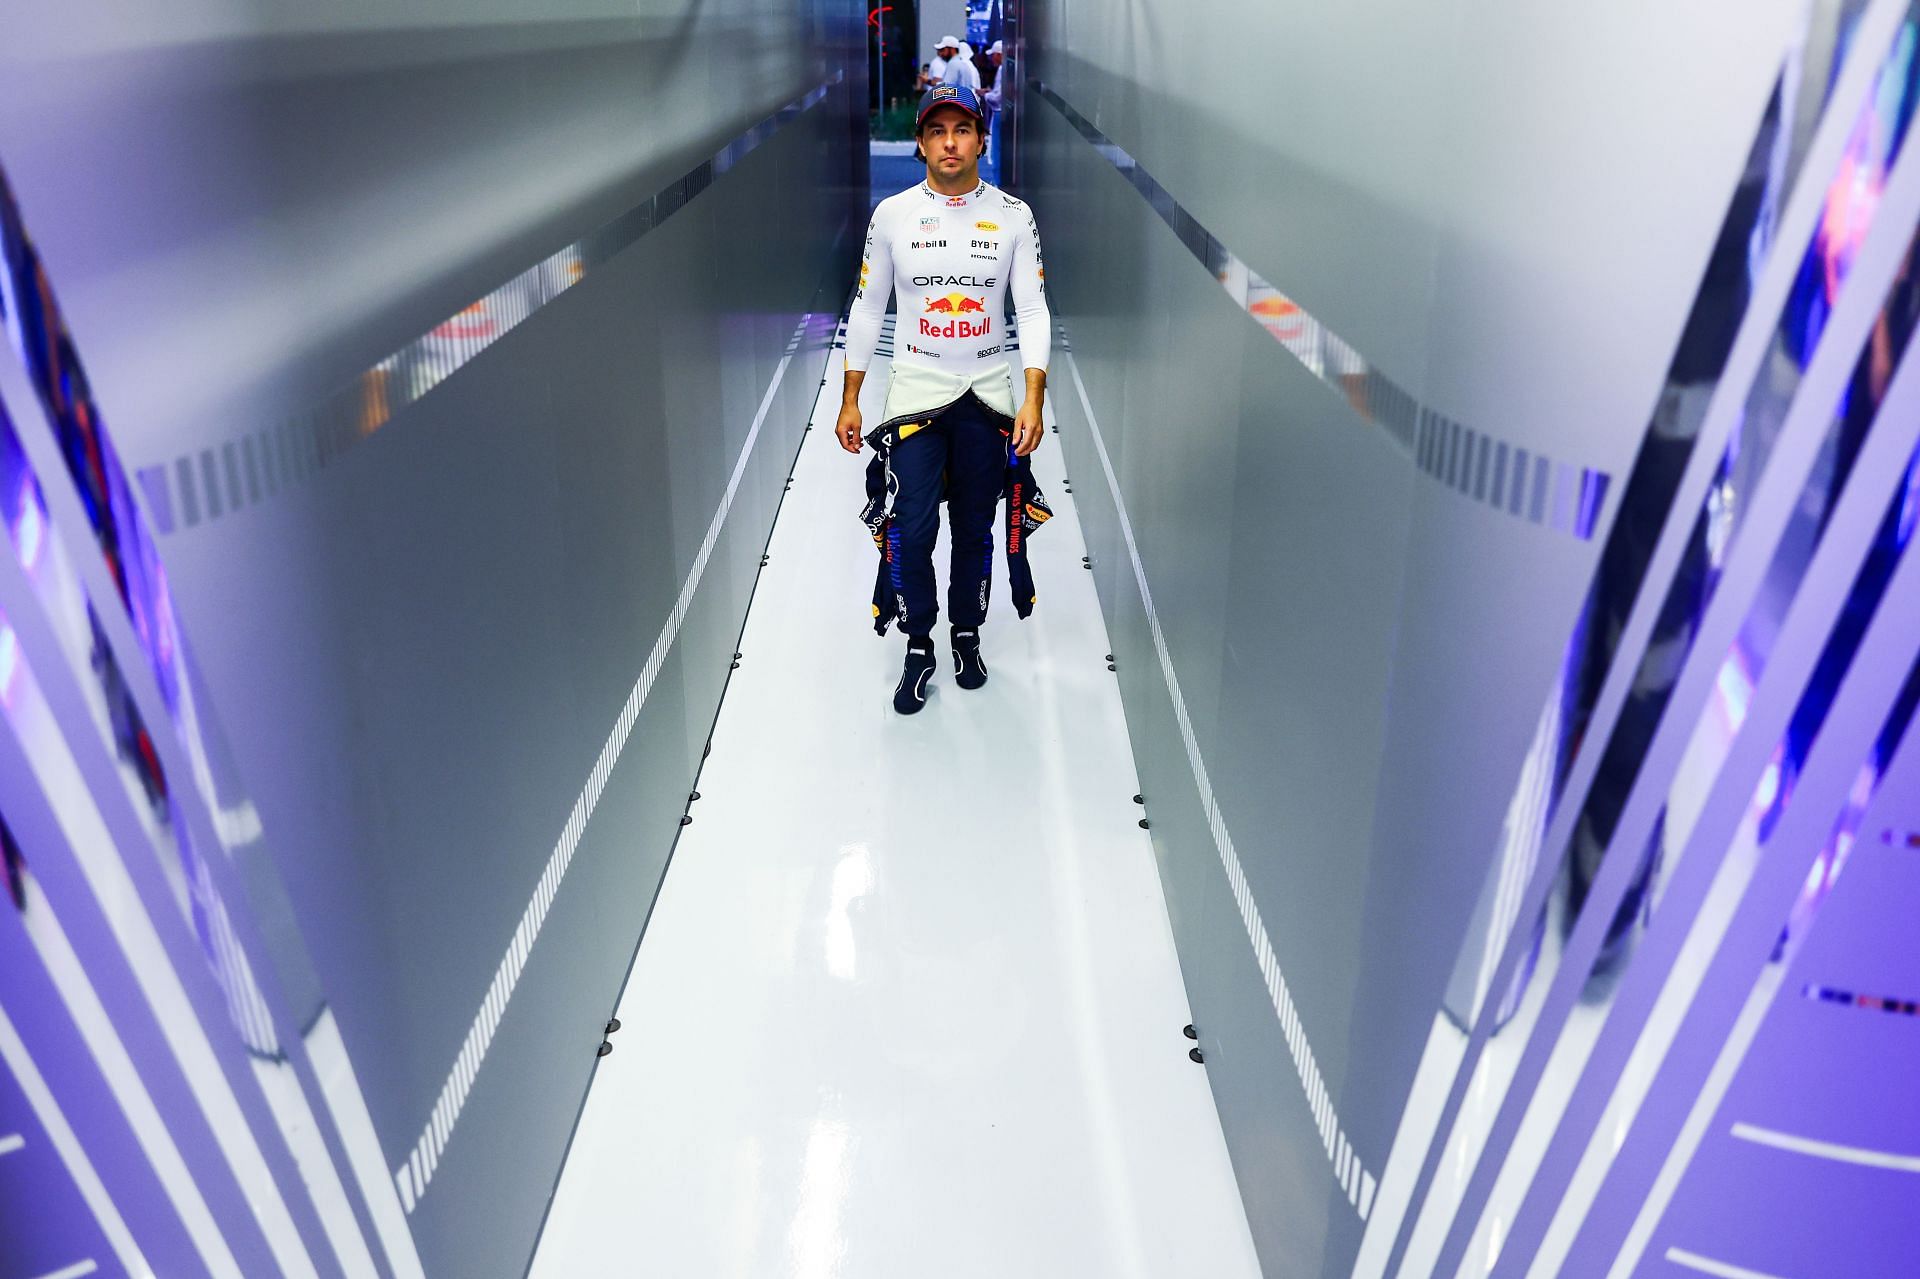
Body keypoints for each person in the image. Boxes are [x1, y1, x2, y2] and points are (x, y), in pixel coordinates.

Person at [838, 84, 1052, 714]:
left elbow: (1033, 309)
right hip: (913, 396)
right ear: (922, 143)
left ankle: (965, 634)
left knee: (975, 528)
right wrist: (852, 398)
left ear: (982, 139)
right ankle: (918, 643)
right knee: (911, 526)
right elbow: (868, 305)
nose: (950, 142)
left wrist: (1033, 397)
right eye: (937, 131)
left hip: (989, 397)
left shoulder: (1014, 215)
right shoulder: (893, 216)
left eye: (962, 129)